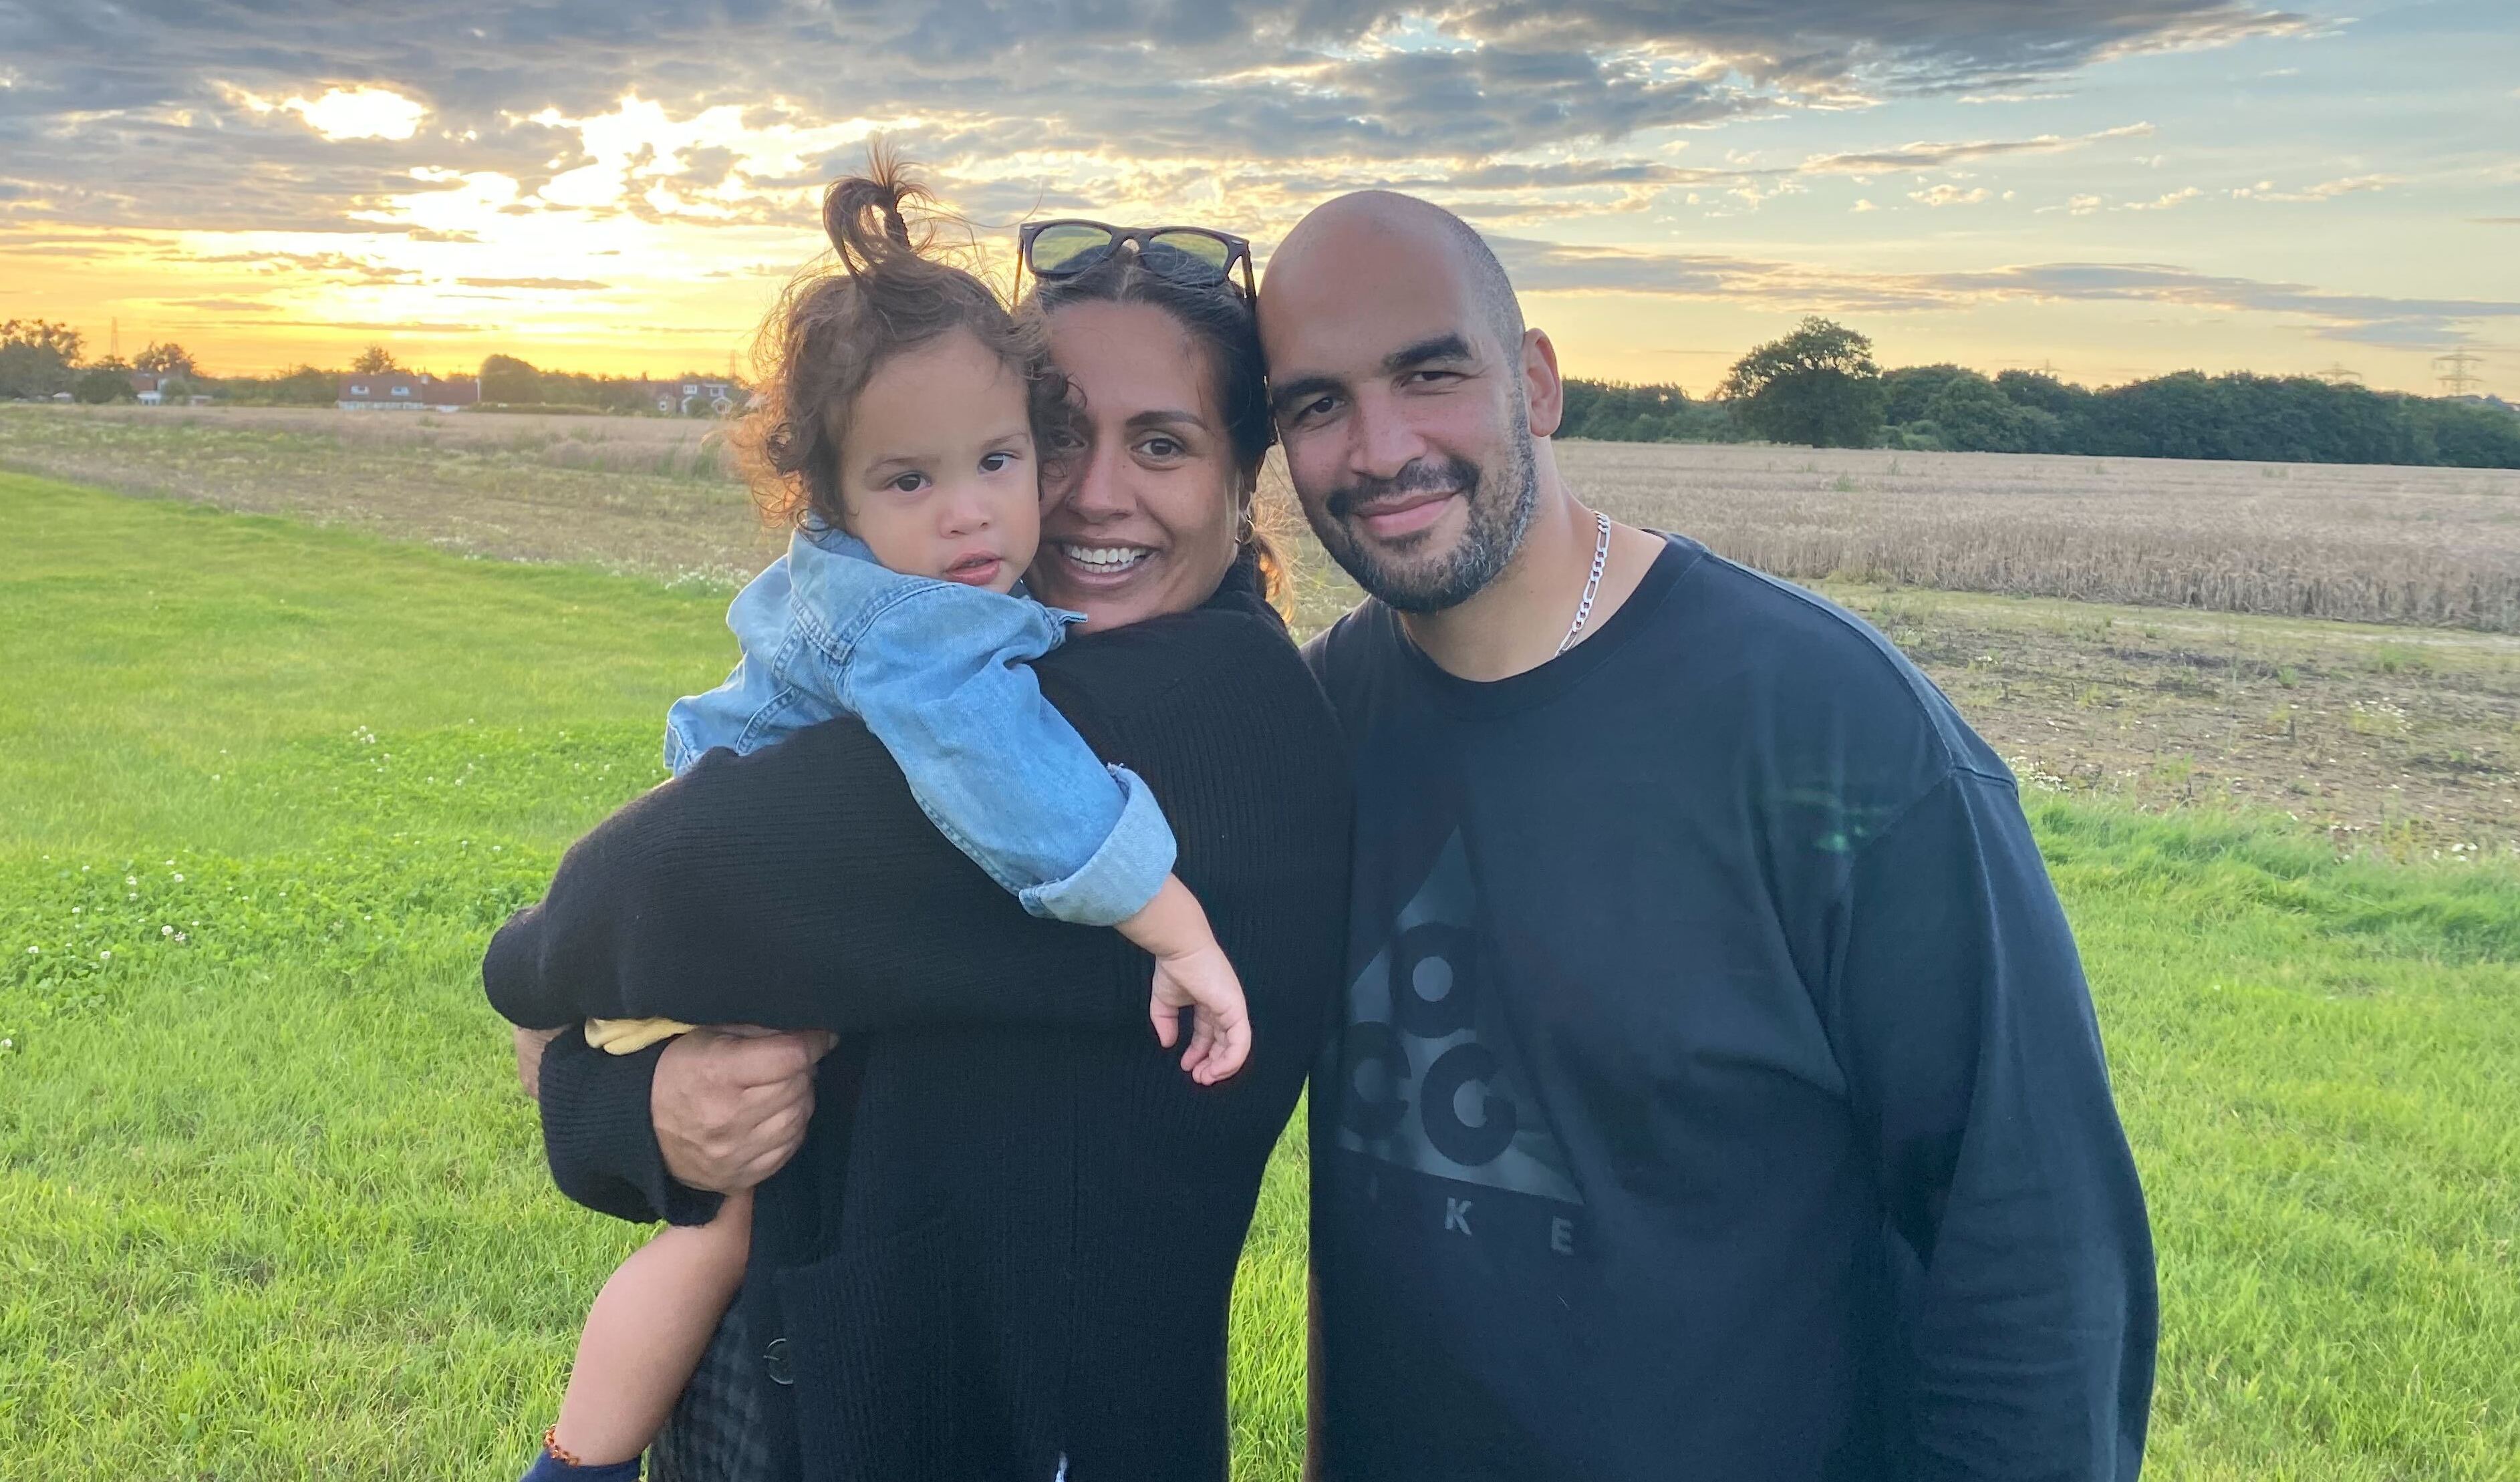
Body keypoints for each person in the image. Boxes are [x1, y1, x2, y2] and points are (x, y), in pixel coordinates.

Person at [1259, 191, 2158, 1481]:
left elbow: (2033, 1248)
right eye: (1316, 405)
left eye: (1430, 373)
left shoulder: (1833, 727)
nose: (1379, 446)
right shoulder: (1316, 724)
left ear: (1538, 380)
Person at [487, 194, 1347, 1481]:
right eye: (1058, 440)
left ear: (1244, 474)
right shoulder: (987, 672)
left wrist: (529, 986)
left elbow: (657, 880)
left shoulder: (1208, 728)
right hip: (777, 1400)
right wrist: (630, 1108)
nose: (1090, 496)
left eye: (1161, 444)